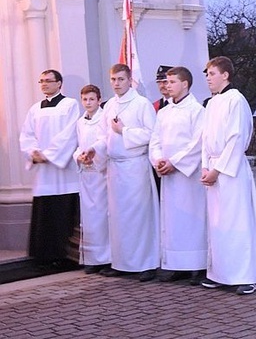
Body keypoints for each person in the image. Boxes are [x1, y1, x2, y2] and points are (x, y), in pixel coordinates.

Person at [200, 56, 256, 294]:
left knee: (237, 223)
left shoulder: (236, 100)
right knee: (218, 224)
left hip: (230, 171)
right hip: (213, 168)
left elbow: (236, 138)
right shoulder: (211, 103)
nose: (208, 78)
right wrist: (204, 167)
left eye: (211, 73)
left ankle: (246, 275)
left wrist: (217, 170)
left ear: (225, 75)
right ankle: (222, 273)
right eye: (207, 74)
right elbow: (205, 139)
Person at [87, 64, 159, 282]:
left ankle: (145, 264)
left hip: (135, 167)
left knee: (138, 216)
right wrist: (93, 149)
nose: (116, 83)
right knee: (118, 218)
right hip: (115, 168)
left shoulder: (141, 104)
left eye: (120, 79)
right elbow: (102, 136)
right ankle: (122, 262)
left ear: (130, 80)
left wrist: (124, 131)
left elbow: (152, 134)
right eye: (113, 79)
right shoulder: (109, 106)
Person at [149, 66, 207, 286]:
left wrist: (175, 162)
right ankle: (178, 265)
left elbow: (198, 142)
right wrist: (158, 160)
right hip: (168, 174)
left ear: (185, 84)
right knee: (173, 221)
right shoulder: (163, 112)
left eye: (172, 82)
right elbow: (155, 141)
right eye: (166, 82)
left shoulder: (197, 110)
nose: (167, 86)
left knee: (193, 220)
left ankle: (199, 265)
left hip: (187, 175)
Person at [19, 69, 80, 271]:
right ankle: (44, 256)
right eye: (41, 81)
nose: (44, 84)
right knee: (45, 214)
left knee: (63, 213)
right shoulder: (35, 109)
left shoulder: (70, 105)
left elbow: (70, 133)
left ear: (59, 83)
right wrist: (33, 152)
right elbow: (26, 135)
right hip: (44, 174)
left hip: (64, 171)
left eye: (48, 81)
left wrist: (50, 154)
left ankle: (65, 257)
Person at [73, 85, 110, 274]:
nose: (88, 103)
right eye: (85, 100)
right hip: (86, 175)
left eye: (91, 99)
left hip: (100, 173)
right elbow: (79, 145)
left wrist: (93, 154)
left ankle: (106, 257)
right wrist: (79, 156)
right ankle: (92, 258)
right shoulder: (81, 122)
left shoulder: (103, 118)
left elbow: (105, 142)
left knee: (102, 216)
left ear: (99, 100)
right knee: (88, 218)